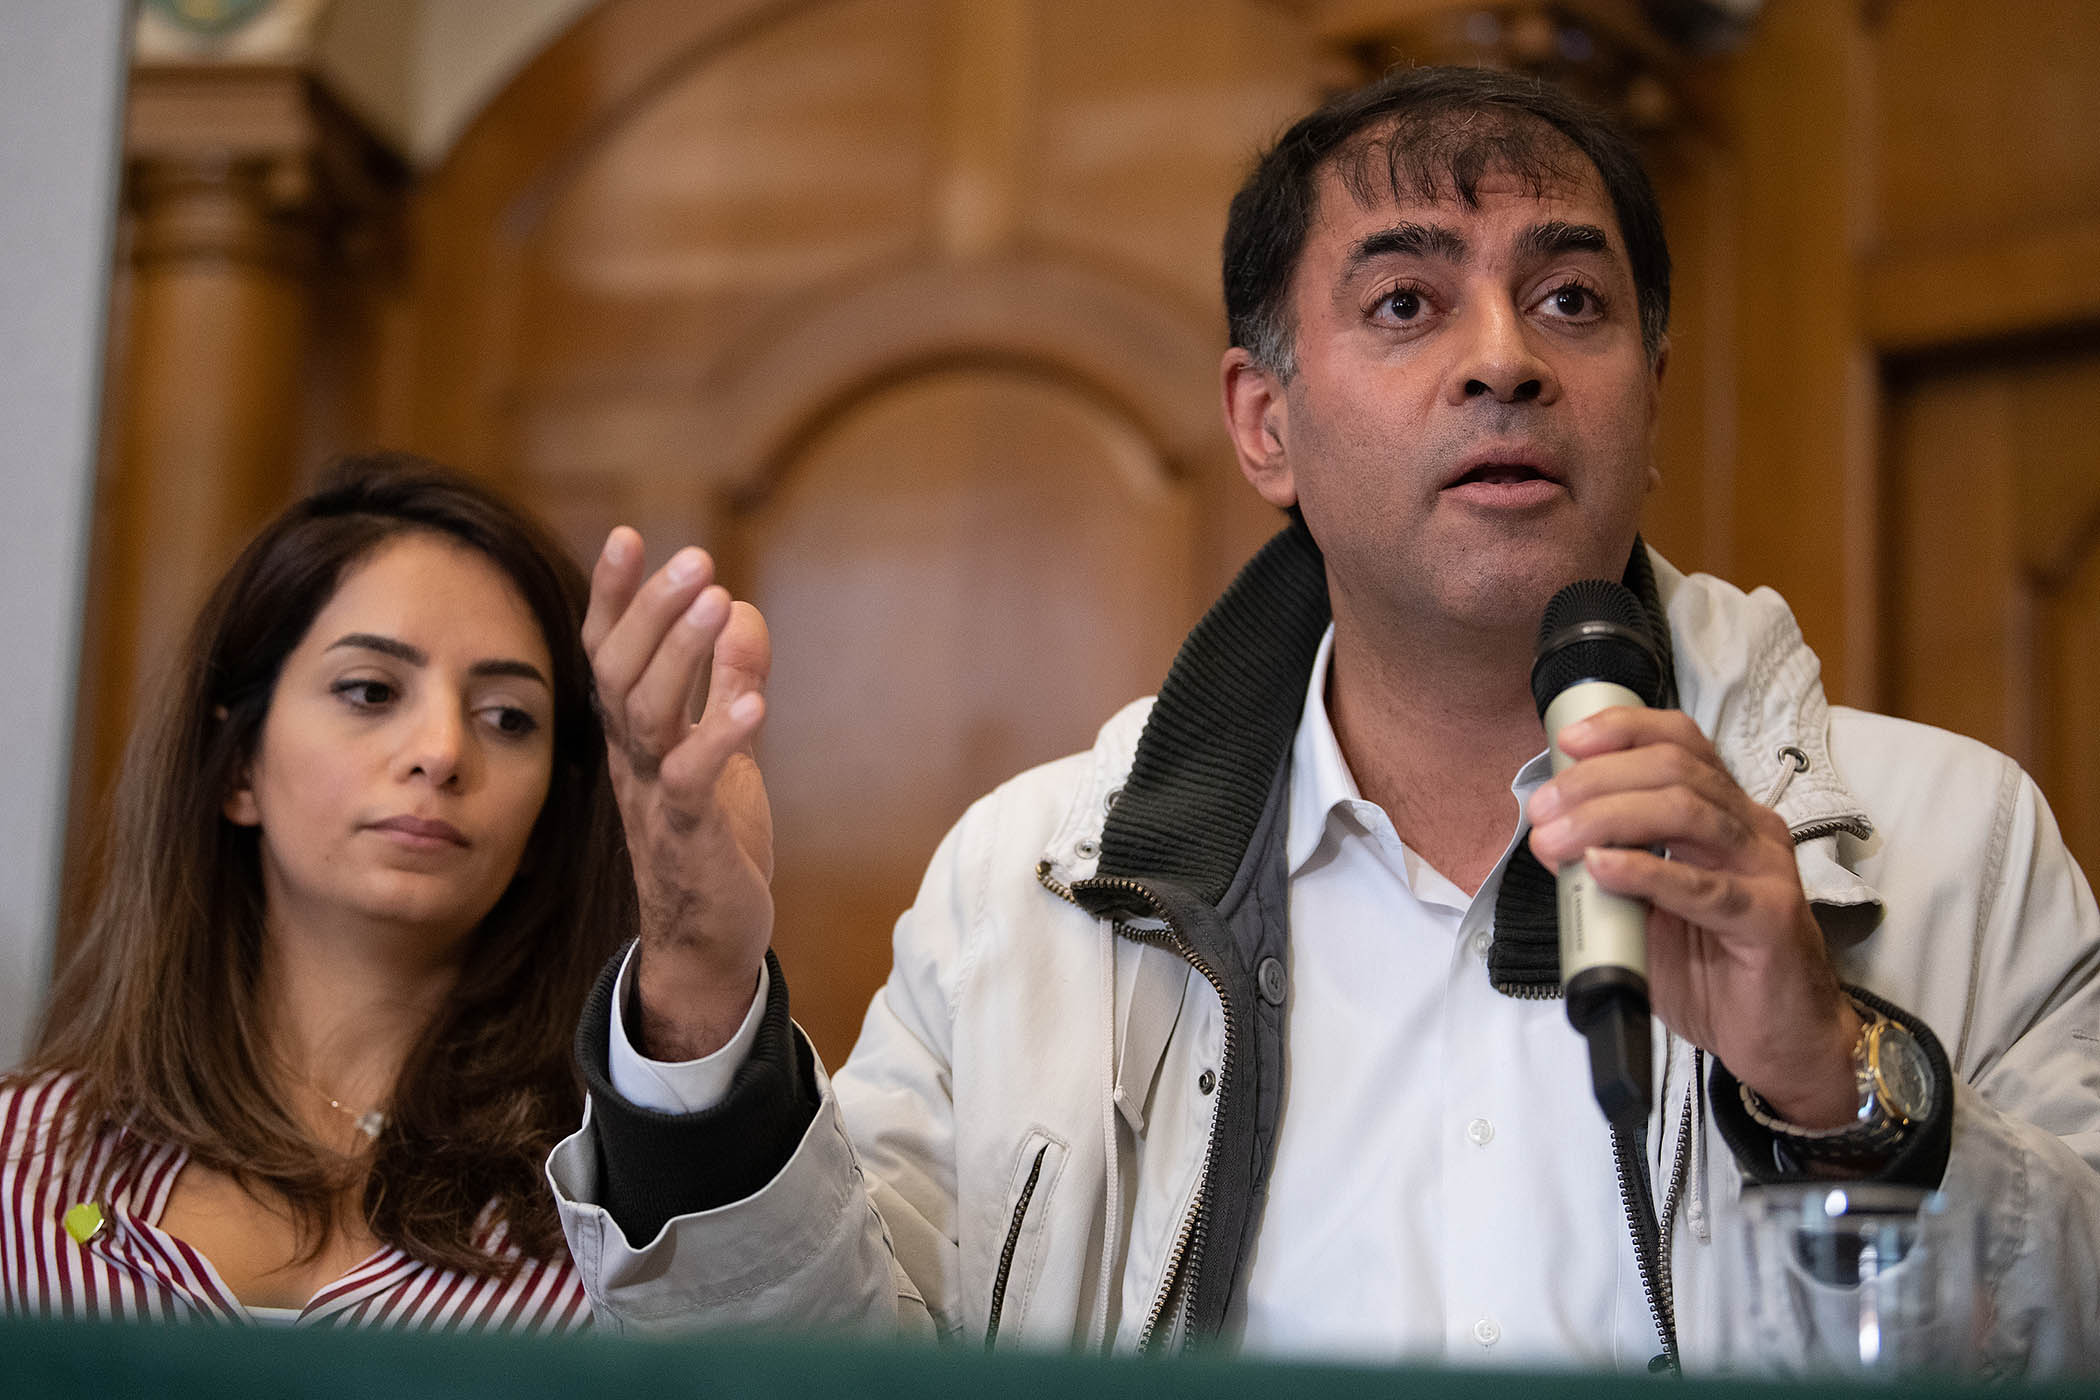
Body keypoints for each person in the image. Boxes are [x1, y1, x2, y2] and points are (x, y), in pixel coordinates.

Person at [550, 68, 2100, 1372]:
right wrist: (696, 1000)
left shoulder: (1952, 842)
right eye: (1409, 302)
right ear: (1264, 423)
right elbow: (824, 1376)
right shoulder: (1023, 893)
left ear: (1651, 392)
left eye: (1572, 298)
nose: (1506, 359)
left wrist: (1839, 1086)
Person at [2, 454, 629, 1329]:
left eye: (508, 718)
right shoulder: (24, 1163)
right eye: (370, 691)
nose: (443, 750)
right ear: (239, 769)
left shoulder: (625, 1211)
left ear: (549, 820)